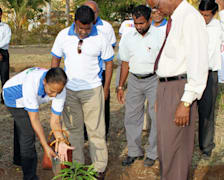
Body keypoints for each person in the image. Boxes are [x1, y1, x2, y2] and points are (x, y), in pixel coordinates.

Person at [146, 0, 209, 179]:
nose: (156, 10)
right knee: (166, 147)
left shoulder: (190, 18)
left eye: (156, 4)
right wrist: (161, 95)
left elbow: (198, 62)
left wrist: (186, 101)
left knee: (176, 149)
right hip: (167, 88)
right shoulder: (177, 18)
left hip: (179, 90)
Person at [51, 6, 115, 179]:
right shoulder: (63, 35)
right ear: (75, 22)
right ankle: (76, 166)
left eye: (88, 28)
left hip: (93, 91)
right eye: (81, 28)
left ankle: (99, 167)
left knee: (96, 130)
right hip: (69, 91)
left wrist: (106, 87)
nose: (84, 32)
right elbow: (56, 58)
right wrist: (55, 85)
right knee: (73, 131)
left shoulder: (101, 37)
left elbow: (109, 63)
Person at [3, 67, 74, 180]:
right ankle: (30, 177)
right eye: (51, 91)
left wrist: (60, 141)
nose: (54, 95)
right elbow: (34, 120)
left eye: (58, 92)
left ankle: (18, 159)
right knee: (28, 134)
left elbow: (55, 120)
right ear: (44, 82)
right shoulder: (32, 83)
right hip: (13, 96)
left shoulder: (59, 87)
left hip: (28, 96)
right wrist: (45, 146)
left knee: (22, 127)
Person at [117, 5, 163, 167]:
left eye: (142, 23)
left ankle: (153, 152)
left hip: (154, 79)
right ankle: (134, 151)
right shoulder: (128, 37)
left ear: (150, 19)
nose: (139, 27)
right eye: (136, 23)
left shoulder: (160, 35)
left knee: (156, 116)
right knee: (132, 116)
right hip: (135, 80)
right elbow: (125, 63)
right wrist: (120, 86)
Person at [84, 0, 117, 140]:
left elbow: (111, 50)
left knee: (103, 102)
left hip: (102, 71)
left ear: (98, 12)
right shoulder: (80, 25)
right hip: (86, 72)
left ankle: (103, 133)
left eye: (93, 12)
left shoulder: (106, 28)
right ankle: (86, 133)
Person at [198, 0, 224, 157]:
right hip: (191, 73)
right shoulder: (193, 25)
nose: (203, 18)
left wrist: (222, 9)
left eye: (207, 15)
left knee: (207, 112)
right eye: (201, 14)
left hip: (210, 75)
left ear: (213, 14)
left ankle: (206, 146)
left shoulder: (218, 27)